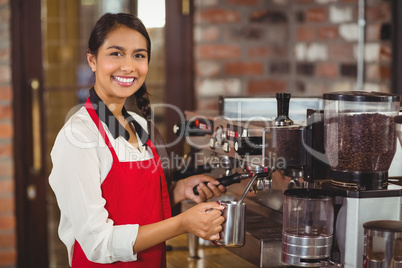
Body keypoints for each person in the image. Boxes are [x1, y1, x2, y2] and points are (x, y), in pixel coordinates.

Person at [49, 13, 226, 267]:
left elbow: (136, 206)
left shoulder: (140, 125)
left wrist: (178, 191)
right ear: (92, 59)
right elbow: (98, 243)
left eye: (139, 55)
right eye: (116, 53)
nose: (129, 66)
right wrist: (183, 223)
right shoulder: (79, 136)